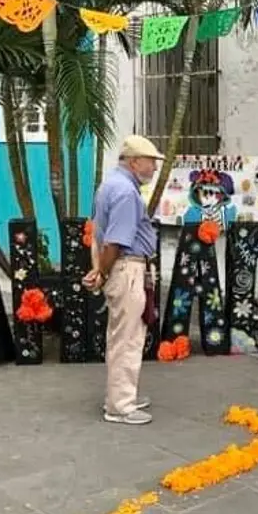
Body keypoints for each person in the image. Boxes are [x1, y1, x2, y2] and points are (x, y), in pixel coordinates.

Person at [83, 135, 164, 425]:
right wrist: (103, 272)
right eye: (151, 161)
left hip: (122, 268)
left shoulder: (110, 185)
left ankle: (121, 395)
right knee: (127, 339)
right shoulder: (127, 193)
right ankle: (120, 405)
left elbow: (100, 236)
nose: (154, 168)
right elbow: (115, 241)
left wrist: (100, 270)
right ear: (134, 161)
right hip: (127, 268)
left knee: (122, 335)